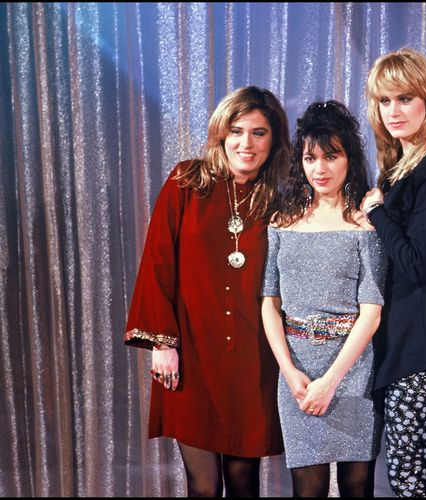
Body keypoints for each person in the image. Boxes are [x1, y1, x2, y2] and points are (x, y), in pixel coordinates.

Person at [124, 86, 291, 497]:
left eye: (259, 132)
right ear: (221, 133)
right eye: (237, 131)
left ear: (274, 140)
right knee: (203, 484)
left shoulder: (282, 200)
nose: (246, 143)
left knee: (243, 479)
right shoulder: (187, 181)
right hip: (192, 353)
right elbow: (157, 262)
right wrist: (163, 343)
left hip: (254, 357)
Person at [260, 100, 386, 498]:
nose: (321, 168)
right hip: (296, 371)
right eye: (311, 158)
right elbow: (269, 302)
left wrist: (331, 382)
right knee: (308, 488)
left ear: (349, 159)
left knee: (356, 485)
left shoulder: (366, 224)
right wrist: (290, 373)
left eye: (332, 156)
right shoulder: (282, 222)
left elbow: (371, 312)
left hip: (354, 371)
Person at [360, 47, 426, 497]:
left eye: (404, 98)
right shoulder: (399, 170)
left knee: (407, 474)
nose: (393, 111)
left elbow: (421, 264)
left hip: (419, 337)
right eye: (385, 101)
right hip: (398, 333)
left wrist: (379, 214)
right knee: (419, 469)